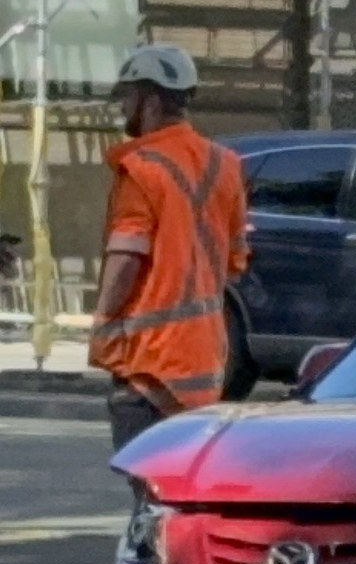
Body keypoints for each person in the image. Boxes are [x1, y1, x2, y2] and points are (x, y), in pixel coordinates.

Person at [89, 44, 249, 452]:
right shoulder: (225, 165)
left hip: (151, 366)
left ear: (152, 101)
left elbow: (126, 256)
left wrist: (104, 322)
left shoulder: (141, 167)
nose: (124, 108)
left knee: (148, 496)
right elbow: (234, 262)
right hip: (207, 364)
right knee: (182, 497)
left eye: (128, 97)